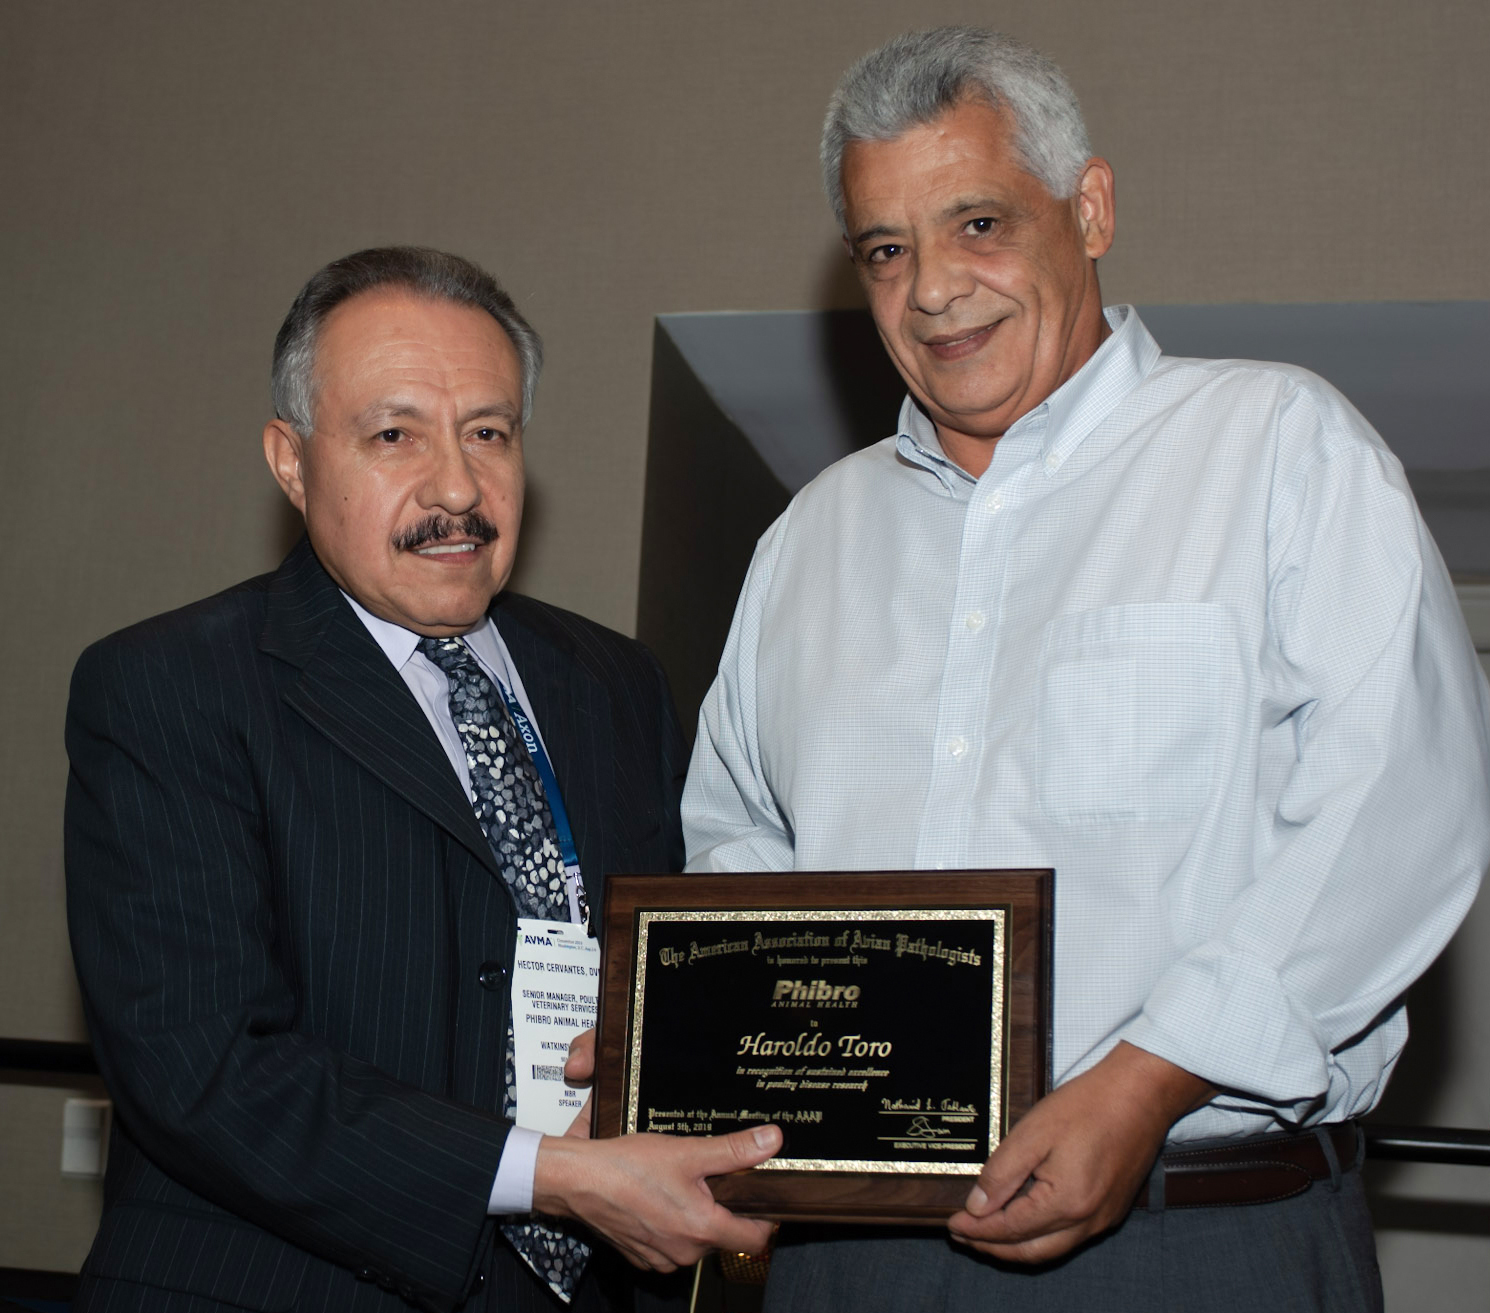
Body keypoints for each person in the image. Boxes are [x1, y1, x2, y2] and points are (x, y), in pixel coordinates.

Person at [682, 27, 1490, 1312]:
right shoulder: (806, 540)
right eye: (885, 250)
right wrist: (703, 1046)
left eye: (979, 224)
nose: (933, 289)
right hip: (844, 1260)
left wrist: (1148, 1073)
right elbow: (736, 842)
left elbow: (1396, 805)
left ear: (1090, 207)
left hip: (1194, 1247)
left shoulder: (1277, 446)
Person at [65, 246, 779, 1313]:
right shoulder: (169, 687)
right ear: (292, 460)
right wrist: (551, 1175)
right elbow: (203, 1068)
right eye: (394, 434)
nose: (457, 486)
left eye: (488, 432)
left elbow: (671, 976)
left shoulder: (615, 683)